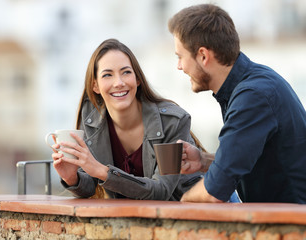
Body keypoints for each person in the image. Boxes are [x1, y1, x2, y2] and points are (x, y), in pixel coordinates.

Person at [168, 4, 306, 203]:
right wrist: (203, 161)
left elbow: (214, 191)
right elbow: (247, 158)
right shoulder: (253, 83)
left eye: (180, 57)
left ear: (203, 56)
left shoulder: (252, 97)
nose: (179, 66)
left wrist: (181, 205)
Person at [51, 38, 203, 200]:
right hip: (132, 221)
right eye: (107, 75)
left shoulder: (172, 122)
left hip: (190, 215)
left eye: (126, 72)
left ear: (137, 79)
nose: (119, 83)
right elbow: (90, 184)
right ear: (95, 85)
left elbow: (161, 190)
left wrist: (103, 171)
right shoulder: (92, 122)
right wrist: (72, 178)